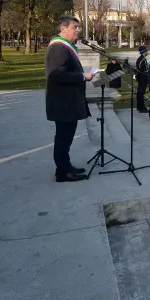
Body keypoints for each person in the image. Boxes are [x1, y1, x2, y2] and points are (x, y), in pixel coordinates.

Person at [44, 15, 92, 182]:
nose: (78, 30)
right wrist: (81, 76)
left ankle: (66, 166)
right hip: (63, 102)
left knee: (66, 136)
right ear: (63, 29)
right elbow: (57, 75)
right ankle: (63, 172)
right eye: (74, 27)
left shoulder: (66, 47)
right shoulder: (58, 48)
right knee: (63, 137)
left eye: (78, 27)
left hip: (67, 100)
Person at [135, 46, 149, 112]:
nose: (147, 52)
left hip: (141, 78)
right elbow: (143, 70)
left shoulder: (141, 58)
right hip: (142, 78)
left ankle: (139, 106)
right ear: (144, 52)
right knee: (141, 93)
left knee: (140, 93)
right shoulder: (142, 60)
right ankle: (141, 108)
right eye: (146, 51)